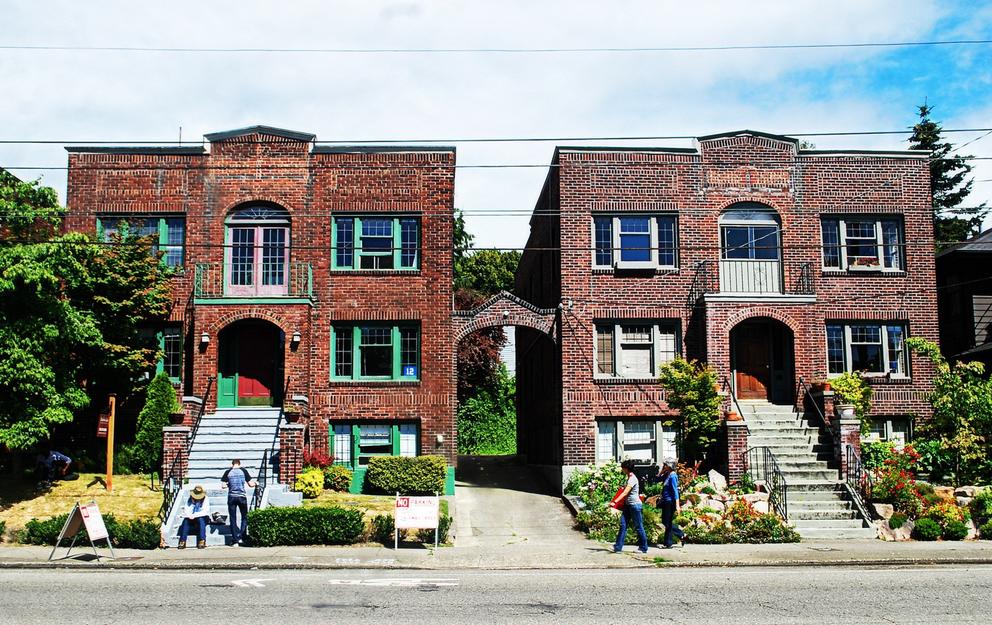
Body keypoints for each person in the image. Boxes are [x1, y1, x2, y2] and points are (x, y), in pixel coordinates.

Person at [610, 459, 649, 554]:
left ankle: (643, 547)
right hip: (628, 506)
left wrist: (615, 501)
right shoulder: (629, 477)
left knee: (639, 526)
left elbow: (625, 492)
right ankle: (618, 547)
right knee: (623, 525)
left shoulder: (632, 479)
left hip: (635, 505)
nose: (622, 470)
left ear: (626, 469)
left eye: (623, 468)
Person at [221, 459, 257, 546]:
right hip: (242, 497)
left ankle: (235, 540)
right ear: (239, 464)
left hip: (232, 497)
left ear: (232, 464)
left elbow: (223, 486)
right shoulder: (243, 471)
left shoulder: (228, 471)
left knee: (233, 518)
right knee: (244, 517)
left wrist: (229, 484)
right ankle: (242, 537)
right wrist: (256, 483)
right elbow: (251, 484)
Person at [657, 458, 685, 548]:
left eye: (665, 465)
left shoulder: (673, 476)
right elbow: (658, 477)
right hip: (665, 501)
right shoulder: (667, 474)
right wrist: (662, 471)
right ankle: (680, 535)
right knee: (666, 521)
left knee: (667, 522)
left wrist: (677, 505)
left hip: (670, 502)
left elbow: (675, 490)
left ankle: (668, 543)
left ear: (669, 466)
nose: (663, 466)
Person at [178, 485, 211, 549]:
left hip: (203, 517)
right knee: (186, 521)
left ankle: (202, 540)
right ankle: (182, 541)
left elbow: (205, 512)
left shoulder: (206, 499)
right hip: (192, 517)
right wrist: (189, 514)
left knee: (201, 519)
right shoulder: (190, 499)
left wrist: (194, 515)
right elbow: (186, 509)